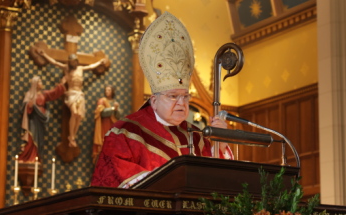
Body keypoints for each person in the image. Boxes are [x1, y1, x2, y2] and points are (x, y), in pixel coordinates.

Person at [91, 12, 232, 188]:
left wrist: (221, 144)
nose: (181, 102)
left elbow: (215, 181)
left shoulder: (197, 137)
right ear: (154, 101)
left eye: (185, 96)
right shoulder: (125, 133)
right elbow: (116, 180)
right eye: (173, 96)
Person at [39, 51, 107, 147]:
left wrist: (99, 63)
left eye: (74, 61)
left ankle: (72, 137)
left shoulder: (80, 68)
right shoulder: (66, 68)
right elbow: (55, 62)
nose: (73, 63)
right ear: (69, 62)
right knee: (74, 113)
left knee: (79, 115)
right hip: (71, 94)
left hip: (79, 94)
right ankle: (71, 135)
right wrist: (44, 55)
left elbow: (91, 67)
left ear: (76, 61)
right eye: (71, 62)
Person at [19, 76, 66, 163]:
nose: (41, 84)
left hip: (41, 121)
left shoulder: (43, 94)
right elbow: (23, 107)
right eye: (39, 82)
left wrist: (62, 84)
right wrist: (29, 106)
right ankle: (26, 158)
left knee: (39, 140)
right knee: (30, 139)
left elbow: (53, 93)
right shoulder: (29, 94)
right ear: (35, 84)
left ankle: (36, 157)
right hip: (32, 120)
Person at [92, 85, 123, 164]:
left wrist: (116, 110)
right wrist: (113, 109)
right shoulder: (102, 100)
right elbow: (101, 113)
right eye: (106, 90)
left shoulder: (114, 102)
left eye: (109, 90)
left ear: (112, 91)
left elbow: (119, 116)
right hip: (104, 127)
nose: (107, 92)